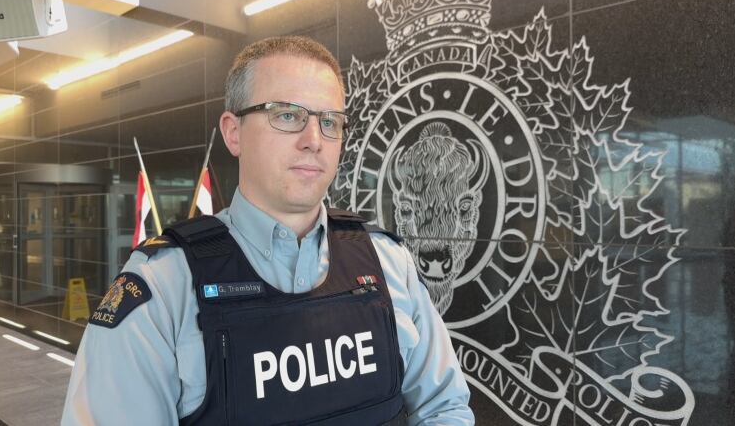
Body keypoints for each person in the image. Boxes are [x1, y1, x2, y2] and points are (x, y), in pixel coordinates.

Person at [61, 36, 474, 426]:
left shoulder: (388, 263)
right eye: (288, 115)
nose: (315, 139)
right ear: (233, 132)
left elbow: (445, 405)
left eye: (331, 121)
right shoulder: (161, 290)